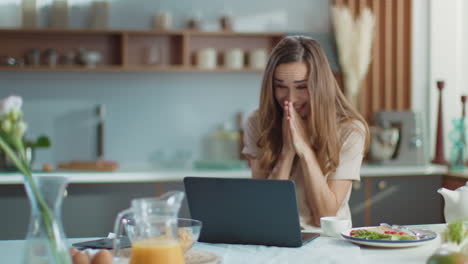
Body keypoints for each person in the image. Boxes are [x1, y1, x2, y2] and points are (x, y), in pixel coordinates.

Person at [242, 36, 369, 229]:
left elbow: (325, 217)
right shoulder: (257, 123)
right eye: (280, 86)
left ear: (320, 85)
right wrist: (287, 151)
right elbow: (265, 211)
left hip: (327, 243)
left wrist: (305, 150)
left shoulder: (349, 130)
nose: (291, 99)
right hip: (273, 238)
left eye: (302, 87)